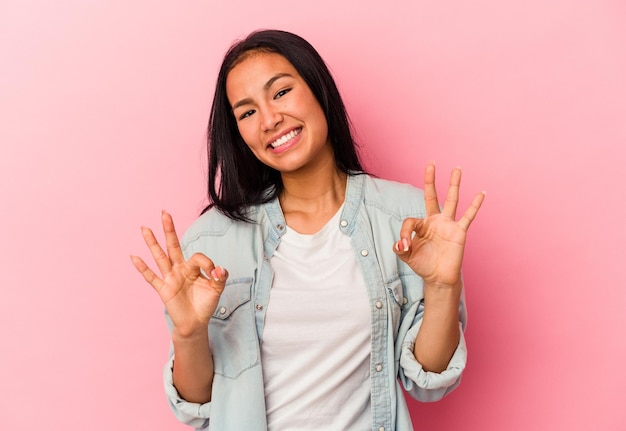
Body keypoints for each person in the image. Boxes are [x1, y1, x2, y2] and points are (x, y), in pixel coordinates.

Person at [131, 29, 485, 431]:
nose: (269, 120)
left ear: (318, 89)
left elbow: (429, 379)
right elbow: (198, 408)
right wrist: (189, 334)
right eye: (247, 112)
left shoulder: (406, 219)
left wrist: (442, 287)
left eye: (280, 92)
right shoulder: (211, 242)